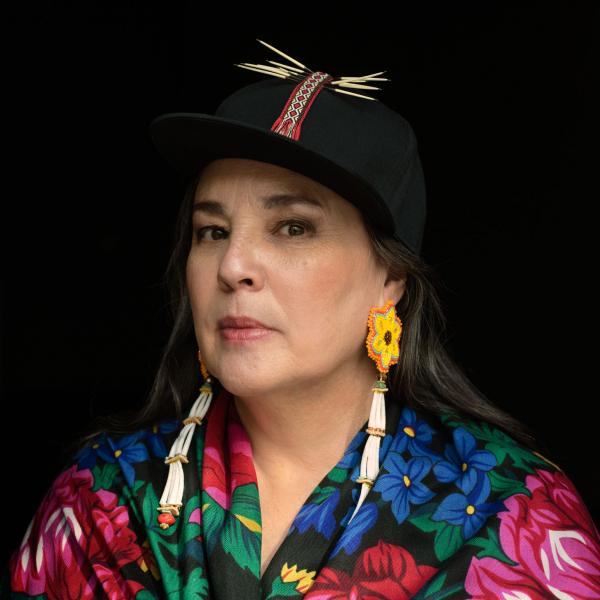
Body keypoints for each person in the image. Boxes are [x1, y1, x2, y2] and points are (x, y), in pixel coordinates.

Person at [3, 40, 600, 600]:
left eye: (293, 227)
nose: (233, 266)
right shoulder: (103, 498)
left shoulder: (509, 515)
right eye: (212, 232)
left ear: (391, 279)